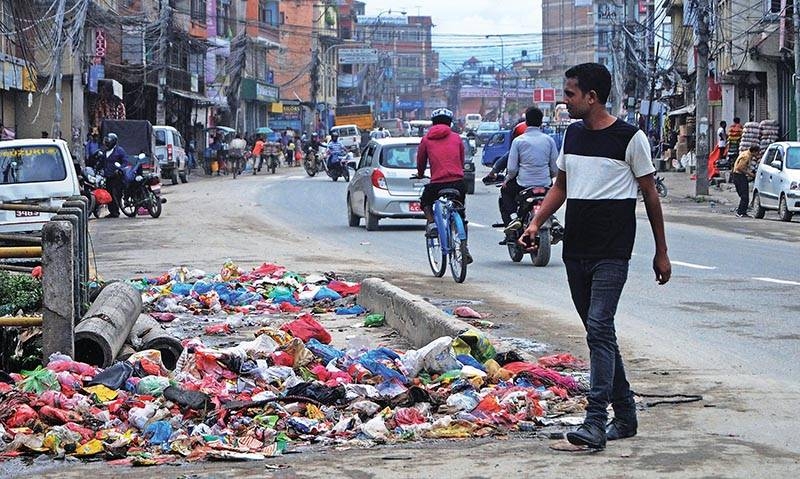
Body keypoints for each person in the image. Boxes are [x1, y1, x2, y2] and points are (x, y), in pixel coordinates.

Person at [519, 63, 671, 450]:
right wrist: (537, 222)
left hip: (613, 251)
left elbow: (650, 195)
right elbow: (561, 187)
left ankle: (595, 420)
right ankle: (626, 415)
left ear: (592, 97)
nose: (563, 100)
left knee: (600, 329)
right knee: (598, 332)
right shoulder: (572, 135)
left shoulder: (630, 138)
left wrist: (661, 252)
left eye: (570, 94)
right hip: (577, 250)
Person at [414, 107, 473, 264]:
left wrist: (420, 174)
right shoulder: (456, 138)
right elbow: (461, 160)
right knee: (460, 213)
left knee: (426, 202)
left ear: (433, 123)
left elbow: (420, 161)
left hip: (437, 184)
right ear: (450, 123)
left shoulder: (426, 139)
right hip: (458, 182)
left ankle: (432, 223)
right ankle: (464, 246)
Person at [500, 107, 559, 238]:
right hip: (545, 183)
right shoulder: (549, 140)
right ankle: (553, 218)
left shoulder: (518, 141)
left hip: (523, 184)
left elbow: (512, 169)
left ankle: (514, 218)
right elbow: (555, 168)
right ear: (541, 122)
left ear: (526, 122)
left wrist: (507, 180)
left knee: (505, 191)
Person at [100, 133, 128, 218]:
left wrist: (119, 169)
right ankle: (112, 211)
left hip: (117, 177)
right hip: (108, 176)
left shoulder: (119, 151)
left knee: (115, 194)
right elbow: (101, 163)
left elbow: (125, 162)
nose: (107, 143)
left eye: (109, 141)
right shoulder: (105, 152)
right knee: (108, 194)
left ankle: (116, 211)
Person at [732, 145, 758, 217]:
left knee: (744, 195)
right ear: (754, 151)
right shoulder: (746, 156)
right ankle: (740, 212)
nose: (757, 155)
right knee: (744, 196)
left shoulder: (746, 153)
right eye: (757, 153)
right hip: (739, 176)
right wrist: (750, 174)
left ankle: (743, 212)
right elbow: (739, 168)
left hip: (739, 176)